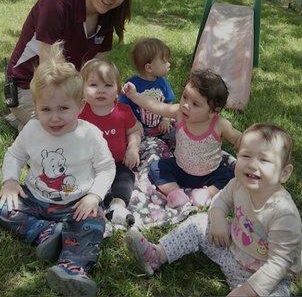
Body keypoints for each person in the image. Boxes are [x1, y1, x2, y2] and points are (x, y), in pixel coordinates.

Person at [125, 123, 302, 297]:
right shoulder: (238, 184)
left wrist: (248, 291)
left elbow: (279, 263)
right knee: (200, 223)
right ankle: (156, 256)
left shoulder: (284, 213)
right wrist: (217, 220)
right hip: (230, 250)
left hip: (266, 277)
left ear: (284, 173)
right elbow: (220, 200)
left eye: (264, 159)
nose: (252, 165)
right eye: (246, 155)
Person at [0, 43, 116, 297]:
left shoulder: (89, 134)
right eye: (46, 110)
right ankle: (44, 233)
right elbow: (15, 154)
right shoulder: (31, 129)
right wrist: (9, 181)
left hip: (76, 205)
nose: (54, 118)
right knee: (4, 206)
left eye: (63, 109)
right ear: (36, 108)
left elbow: (107, 167)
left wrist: (94, 196)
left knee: (94, 224)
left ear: (80, 106)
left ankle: (72, 268)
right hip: (34, 199)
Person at [5, 0, 136, 131]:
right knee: (63, 135)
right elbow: (50, 75)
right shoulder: (56, 6)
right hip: (29, 85)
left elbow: (96, 70)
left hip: (69, 85)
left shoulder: (106, 17)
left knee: (103, 120)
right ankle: (23, 120)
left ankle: (26, 120)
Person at [123, 69, 241, 208]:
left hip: (211, 173)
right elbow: (157, 106)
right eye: (185, 97)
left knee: (229, 176)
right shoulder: (179, 113)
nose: (186, 105)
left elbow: (238, 139)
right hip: (180, 169)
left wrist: (250, 143)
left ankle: (206, 193)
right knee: (157, 168)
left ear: (213, 112)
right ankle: (176, 193)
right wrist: (135, 96)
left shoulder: (220, 125)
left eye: (195, 104)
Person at [79, 59, 142, 226]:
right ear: (82, 90)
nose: (101, 90)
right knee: (80, 183)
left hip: (117, 163)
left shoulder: (123, 111)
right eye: (93, 85)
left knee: (126, 178)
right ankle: (96, 204)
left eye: (108, 85)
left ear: (117, 91)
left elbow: (135, 130)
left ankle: (117, 207)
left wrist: (133, 148)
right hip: (88, 163)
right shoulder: (80, 112)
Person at [119, 37, 175, 138]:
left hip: (161, 125)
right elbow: (124, 107)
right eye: (164, 61)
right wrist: (135, 123)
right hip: (140, 129)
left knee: (179, 132)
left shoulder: (163, 81)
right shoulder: (132, 84)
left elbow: (169, 101)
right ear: (149, 67)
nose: (169, 64)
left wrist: (166, 120)